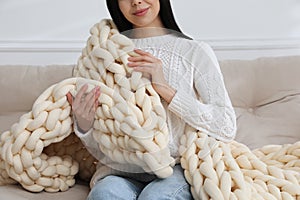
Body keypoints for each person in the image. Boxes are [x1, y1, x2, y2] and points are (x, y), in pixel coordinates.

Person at [66, 0, 237, 199]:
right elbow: (103, 138)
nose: (136, 1)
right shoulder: (101, 55)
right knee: (104, 195)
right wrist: (84, 125)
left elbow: (225, 124)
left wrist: (165, 89)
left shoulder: (194, 51)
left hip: (178, 168)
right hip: (120, 170)